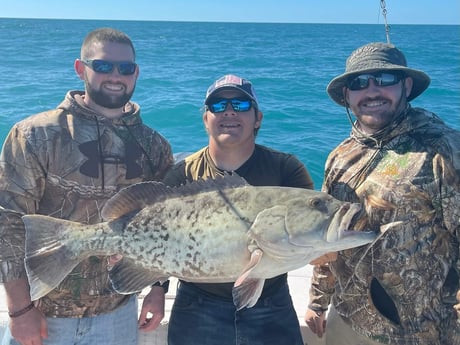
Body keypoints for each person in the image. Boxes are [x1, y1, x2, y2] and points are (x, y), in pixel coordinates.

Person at [0, 28, 173, 345]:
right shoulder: (34, 135)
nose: (115, 76)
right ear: (81, 69)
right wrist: (19, 309)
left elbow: (165, 227)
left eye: (126, 68)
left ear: (136, 74)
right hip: (43, 313)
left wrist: (158, 288)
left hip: (118, 313)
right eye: (103, 66)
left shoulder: (155, 146)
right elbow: (8, 222)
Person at [304, 42, 460, 345]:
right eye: (359, 83)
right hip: (347, 319)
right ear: (348, 95)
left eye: (384, 79)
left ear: (406, 85)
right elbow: (328, 236)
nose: (372, 91)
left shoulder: (443, 149)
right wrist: (317, 300)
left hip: (422, 331)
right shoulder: (340, 156)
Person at [162, 74, 314, 345]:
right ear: (205, 119)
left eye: (241, 105)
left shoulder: (286, 169)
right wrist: (155, 290)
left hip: (271, 304)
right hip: (196, 306)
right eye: (218, 106)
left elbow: (311, 231)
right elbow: (156, 234)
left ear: (258, 118)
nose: (229, 111)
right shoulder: (182, 174)